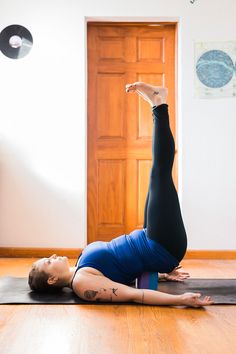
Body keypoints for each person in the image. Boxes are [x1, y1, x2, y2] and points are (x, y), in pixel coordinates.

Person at [28, 82, 214, 308]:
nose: (53, 256)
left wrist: (163, 276)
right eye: (48, 261)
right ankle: (158, 101)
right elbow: (134, 294)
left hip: (150, 239)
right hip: (162, 245)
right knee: (160, 172)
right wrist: (180, 300)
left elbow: (123, 269)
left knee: (157, 174)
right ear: (52, 279)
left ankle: (157, 102)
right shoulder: (83, 284)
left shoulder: (81, 266)